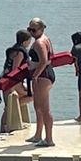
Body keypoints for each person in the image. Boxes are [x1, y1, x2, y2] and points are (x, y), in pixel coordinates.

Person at [26, 16, 55, 147]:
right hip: (45, 73)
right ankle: (38, 135)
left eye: (34, 30)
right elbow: (50, 57)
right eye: (29, 29)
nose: (31, 32)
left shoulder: (39, 42)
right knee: (38, 106)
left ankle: (49, 139)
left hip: (42, 76)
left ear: (42, 29)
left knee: (44, 108)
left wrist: (35, 75)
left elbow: (44, 60)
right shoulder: (46, 39)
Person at [0, 30, 32, 134]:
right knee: (33, 96)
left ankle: (3, 129)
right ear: (25, 41)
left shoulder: (13, 50)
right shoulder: (20, 52)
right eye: (29, 40)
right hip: (12, 82)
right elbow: (15, 70)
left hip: (5, 79)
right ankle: (4, 129)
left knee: (9, 106)